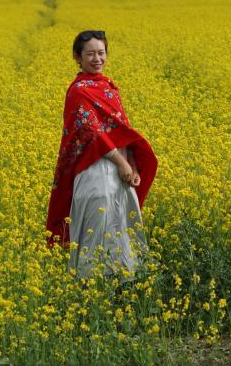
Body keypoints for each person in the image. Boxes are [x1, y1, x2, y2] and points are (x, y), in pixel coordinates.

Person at [45, 30, 157, 278]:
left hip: (121, 171)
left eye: (101, 53)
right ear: (78, 57)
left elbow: (122, 130)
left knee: (122, 227)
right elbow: (91, 132)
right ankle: (91, 286)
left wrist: (132, 166)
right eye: (90, 54)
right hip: (95, 171)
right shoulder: (78, 91)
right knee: (97, 228)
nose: (97, 59)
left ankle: (123, 287)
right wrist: (121, 163)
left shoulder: (109, 88)